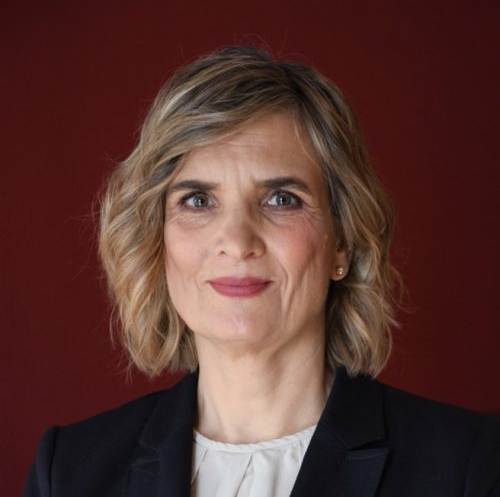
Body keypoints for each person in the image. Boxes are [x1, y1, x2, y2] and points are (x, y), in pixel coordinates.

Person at [25, 46, 500, 497]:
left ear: (342, 241)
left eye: (281, 199)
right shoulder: (68, 471)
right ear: (156, 238)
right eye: (198, 201)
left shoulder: (469, 465)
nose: (237, 242)